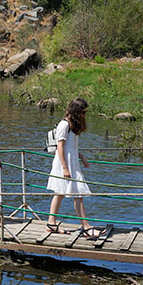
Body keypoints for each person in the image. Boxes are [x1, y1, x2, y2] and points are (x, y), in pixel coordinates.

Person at [45, 97, 101, 237]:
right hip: (65, 164)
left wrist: (81, 157)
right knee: (76, 194)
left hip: (71, 162)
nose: (85, 115)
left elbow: (71, 147)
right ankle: (86, 227)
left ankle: (51, 223)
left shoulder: (72, 125)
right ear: (77, 111)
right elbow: (60, 147)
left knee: (60, 193)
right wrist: (65, 168)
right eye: (83, 112)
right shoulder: (64, 125)